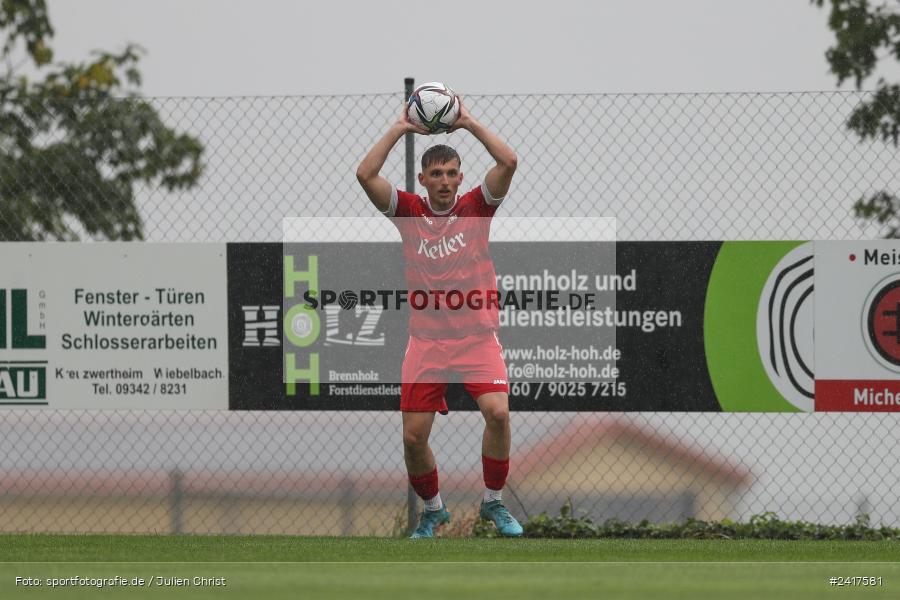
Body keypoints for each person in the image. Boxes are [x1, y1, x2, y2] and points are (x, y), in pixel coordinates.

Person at [356, 98, 522, 538]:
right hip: (427, 341)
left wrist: (465, 122)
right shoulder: (410, 213)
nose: (445, 181)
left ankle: (493, 503)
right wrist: (400, 128)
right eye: (437, 174)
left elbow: (509, 160)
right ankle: (433, 511)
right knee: (413, 437)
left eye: (452, 174)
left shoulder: (476, 208)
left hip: (476, 337)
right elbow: (365, 175)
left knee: (499, 414)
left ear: (460, 178)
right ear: (423, 179)